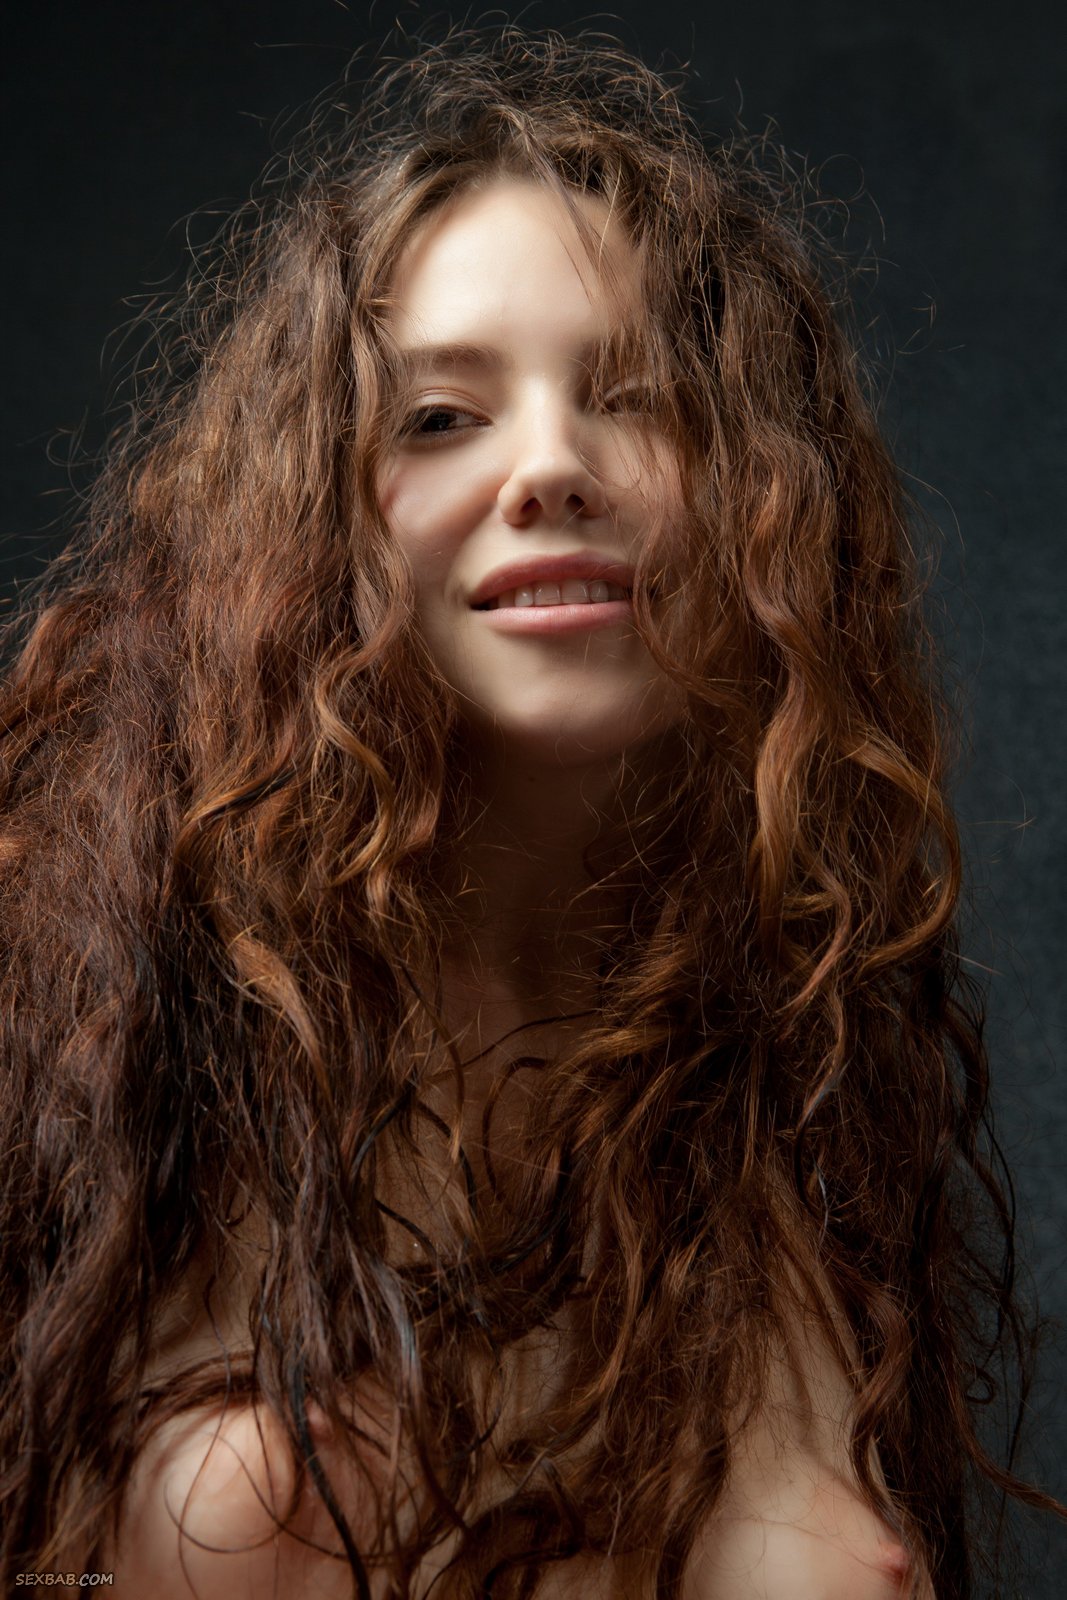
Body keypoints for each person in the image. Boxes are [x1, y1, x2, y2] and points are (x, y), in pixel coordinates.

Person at [0, 26, 1058, 1599]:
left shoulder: (785, 1072)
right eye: (440, 416)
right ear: (304, 517)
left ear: (757, 494)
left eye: (637, 399)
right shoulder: (92, 1020)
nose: (554, 466)